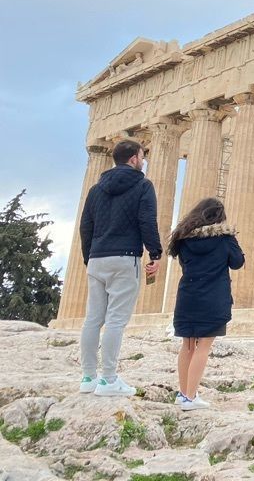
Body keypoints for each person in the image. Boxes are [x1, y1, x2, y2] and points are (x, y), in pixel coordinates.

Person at [78, 140, 162, 397]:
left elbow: (85, 227)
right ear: (134, 159)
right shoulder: (142, 185)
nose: (144, 160)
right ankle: (109, 380)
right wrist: (155, 253)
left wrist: (89, 258)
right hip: (125, 258)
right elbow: (146, 220)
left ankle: (88, 377)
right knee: (115, 320)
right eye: (142, 156)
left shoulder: (95, 189)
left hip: (97, 258)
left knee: (93, 319)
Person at [168, 197, 245, 410]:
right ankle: (191, 398)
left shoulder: (183, 240)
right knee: (203, 347)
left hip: (188, 296)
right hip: (214, 298)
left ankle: (184, 393)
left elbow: (184, 262)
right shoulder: (224, 238)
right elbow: (237, 262)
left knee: (188, 345)